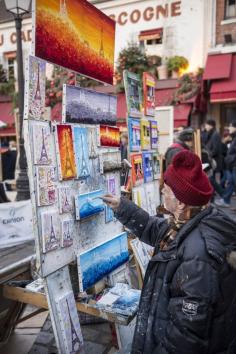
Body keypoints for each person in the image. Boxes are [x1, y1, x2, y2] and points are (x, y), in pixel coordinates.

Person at [103, 150, 236, 354]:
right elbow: (154, 228)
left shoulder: (197, 258)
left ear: (181, 203)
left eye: (166, 190)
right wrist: (122, 206)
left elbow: (185, 338)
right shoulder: (189, 223)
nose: (162, 192)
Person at [215, 121, 236, 208]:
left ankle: (225, 200)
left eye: (231, 126)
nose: (229, 128)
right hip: (231, 165)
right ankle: (226, 200)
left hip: (233, 164)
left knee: (232, 182)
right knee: (231, 182)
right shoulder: (233, 138)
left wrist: (230, 159)